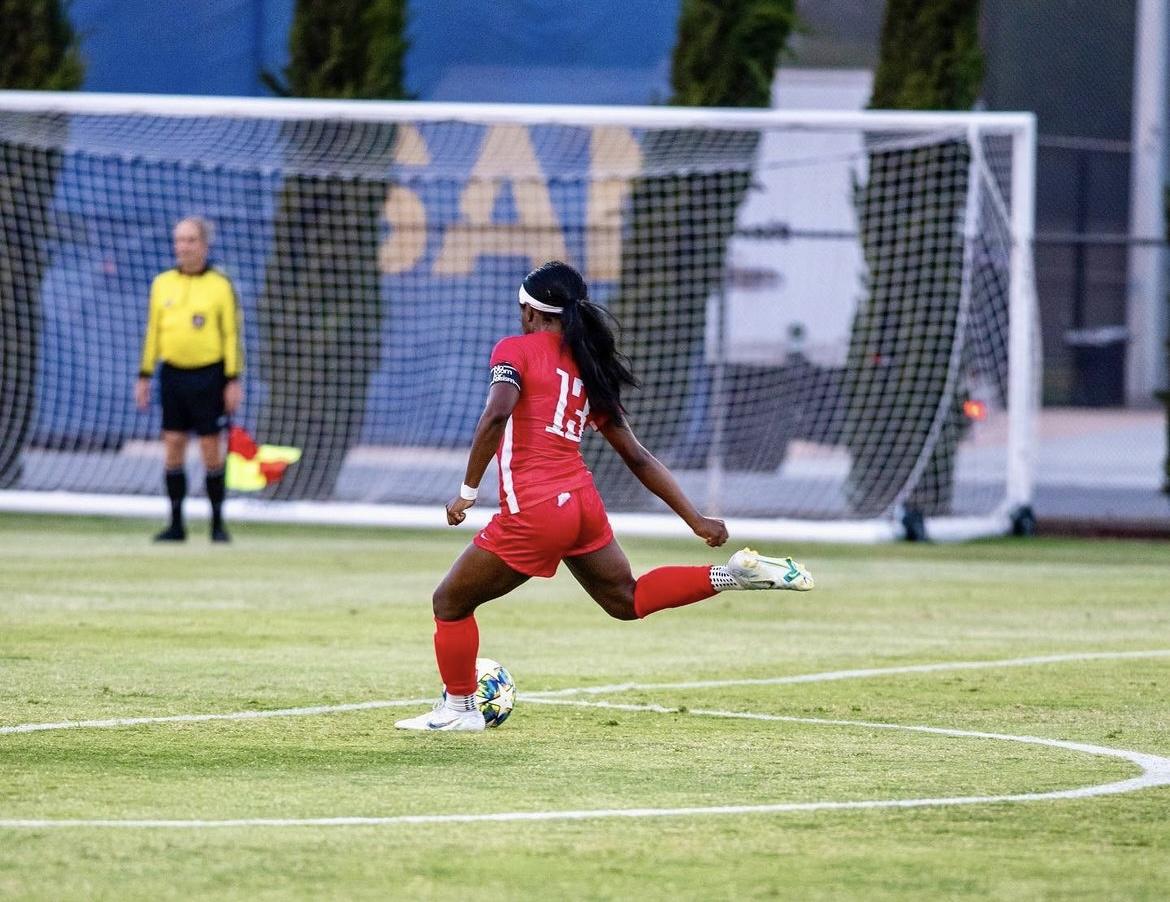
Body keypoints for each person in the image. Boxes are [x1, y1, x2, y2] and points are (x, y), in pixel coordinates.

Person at [396, 261, 814, 732]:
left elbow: (496, 416)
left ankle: (459, 709)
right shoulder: (587, 365)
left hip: (536, 510)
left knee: (449, 603)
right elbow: (637, 456)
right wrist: (696, 519)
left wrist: (466, 492)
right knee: (625, 600)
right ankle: (730, 573)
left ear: (530, 311)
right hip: (581, 502)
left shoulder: (513, 350)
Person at [135, 216, 243, 543]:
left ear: (204, 245)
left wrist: (233, 379)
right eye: (179, 240)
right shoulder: (162, 283)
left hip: (209, 376)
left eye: (190, 240)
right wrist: (145, 374)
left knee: (211, 449)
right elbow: (153, 331)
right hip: (173, 375)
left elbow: (231, 335)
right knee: (173, 447)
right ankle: (176, 524)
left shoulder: (220, 285)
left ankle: (217, 525)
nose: (183, 246)